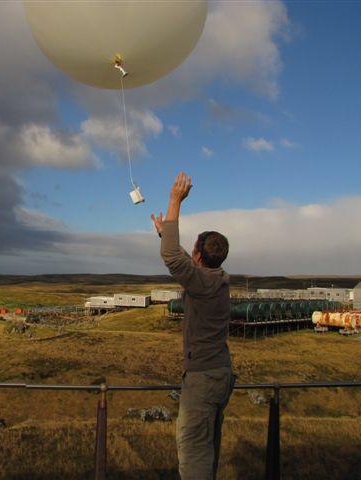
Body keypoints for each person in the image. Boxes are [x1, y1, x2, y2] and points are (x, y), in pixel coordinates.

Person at [151, 172, 236, 480]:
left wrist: (175, 200)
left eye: (195, 251)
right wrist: (166, 233)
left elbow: (174, 258)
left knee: (195, 454)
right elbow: (186, 263)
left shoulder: (203, 281)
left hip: (202, 379)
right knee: (207, 448)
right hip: (220, 373)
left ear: (199, 255)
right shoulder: (215, 278)